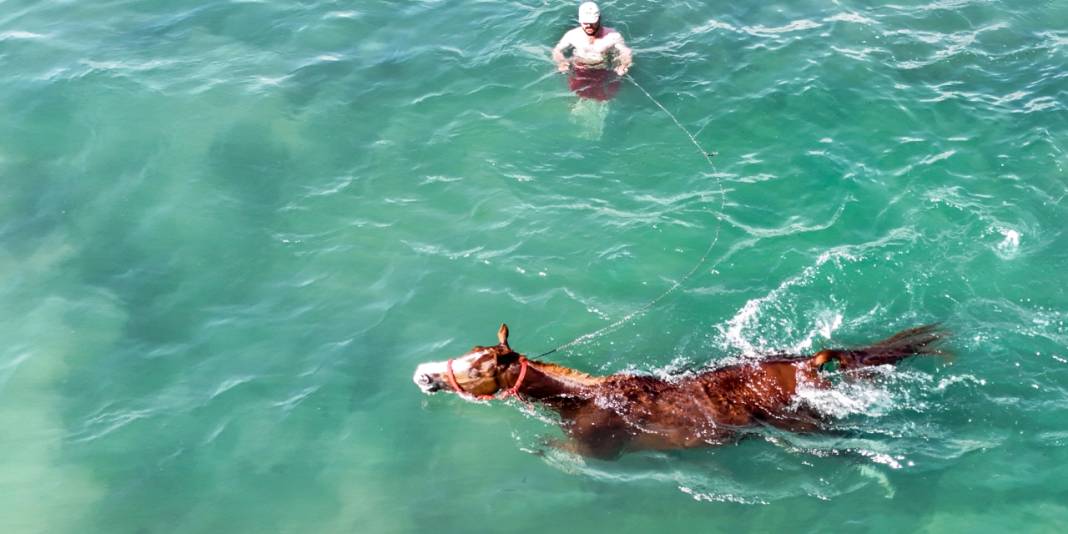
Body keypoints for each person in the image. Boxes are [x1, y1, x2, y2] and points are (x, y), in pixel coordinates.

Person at [552, 2, 634, 101]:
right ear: (580, 21)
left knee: (606, 97)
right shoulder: (572, 35)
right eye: (585, 23)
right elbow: (557, 50)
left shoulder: (612, 36)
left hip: (604, 68)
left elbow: (626, 52)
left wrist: (624, 65)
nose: (589, 26)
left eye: (592, 23)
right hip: (580, 68)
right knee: (579, 95)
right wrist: (561, 62)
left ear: (599, 19)